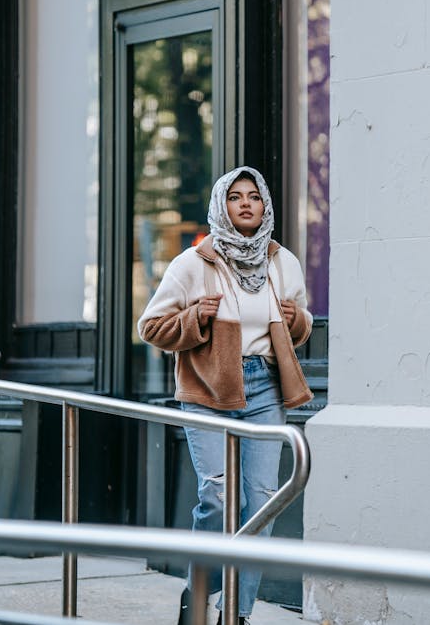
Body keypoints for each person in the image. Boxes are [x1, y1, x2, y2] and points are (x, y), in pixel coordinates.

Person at [138, 166, 314, 625]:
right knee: (217, 498)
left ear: (265, 204)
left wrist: (297, 320)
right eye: (235, 197)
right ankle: (199, 594)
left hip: (264, 387)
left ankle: (236, 612)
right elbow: (150, 327)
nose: (246, 203)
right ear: (222, 205)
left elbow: (301, 328)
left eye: (253, 196)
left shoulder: (282, 262)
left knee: (262, 502)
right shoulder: (194, 262)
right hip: (207, 388)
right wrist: (196, 315)